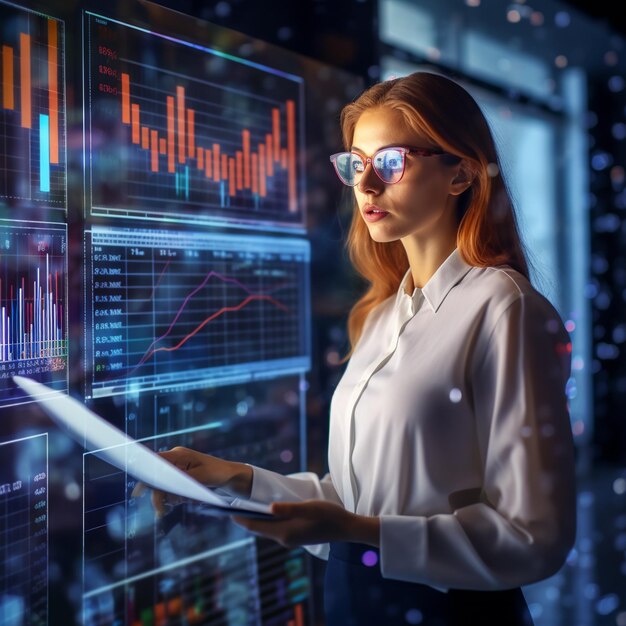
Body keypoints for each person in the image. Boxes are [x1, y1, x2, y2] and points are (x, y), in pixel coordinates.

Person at [145, 71, 576, 626]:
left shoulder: (505, 309)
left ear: (462, 172)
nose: (366, 185)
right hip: (356, 603)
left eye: (392, 162)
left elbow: (535, 537)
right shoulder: (382, 315)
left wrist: (357, 533)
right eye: (355, 163)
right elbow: (362, 500)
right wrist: (240, 480)